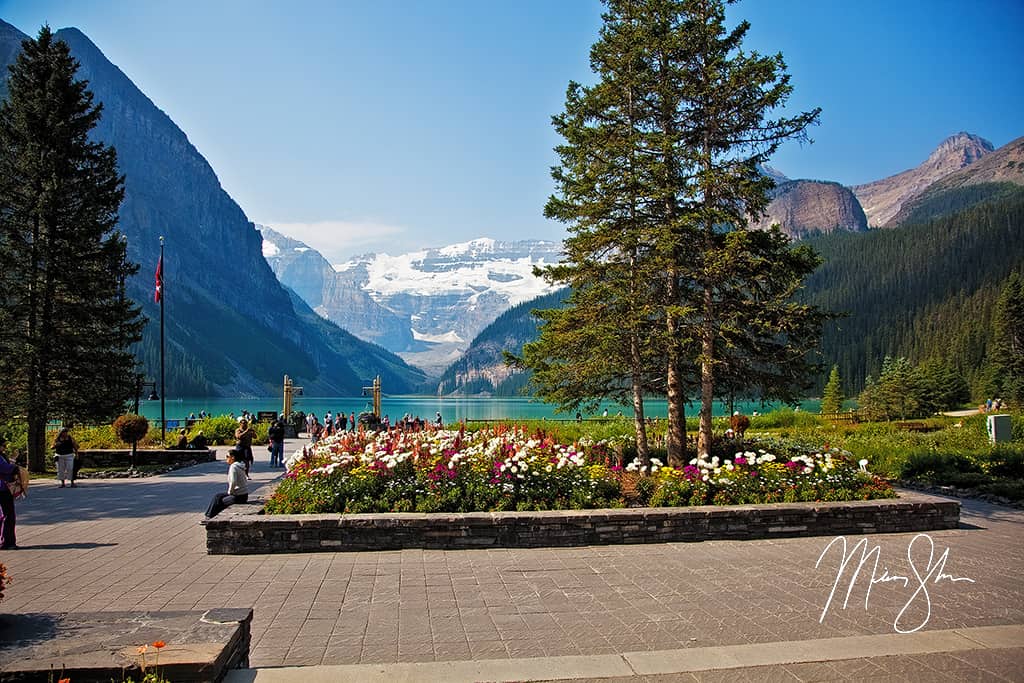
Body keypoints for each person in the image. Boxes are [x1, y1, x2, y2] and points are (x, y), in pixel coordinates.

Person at [204, 449, 248, 519]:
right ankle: (209, 516)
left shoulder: (233, 467)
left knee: (220, 501)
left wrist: (230, 492)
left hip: (238, 496)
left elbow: (233, 482)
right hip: (243, 495)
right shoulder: (240, 465)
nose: (226, 458)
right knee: (217, 496)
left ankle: (210, 517)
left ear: (233, 457)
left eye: (227, 456)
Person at [0, 437, 20, 549]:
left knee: (6, 514)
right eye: (3, 445)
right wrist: (15, 468)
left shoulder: (2, 456)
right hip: (3, 488)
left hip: (4, 487)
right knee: (8, 515)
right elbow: (6, 468)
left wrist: (13, 460)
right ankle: (7, 541)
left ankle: (7, 540)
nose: (4, 448)